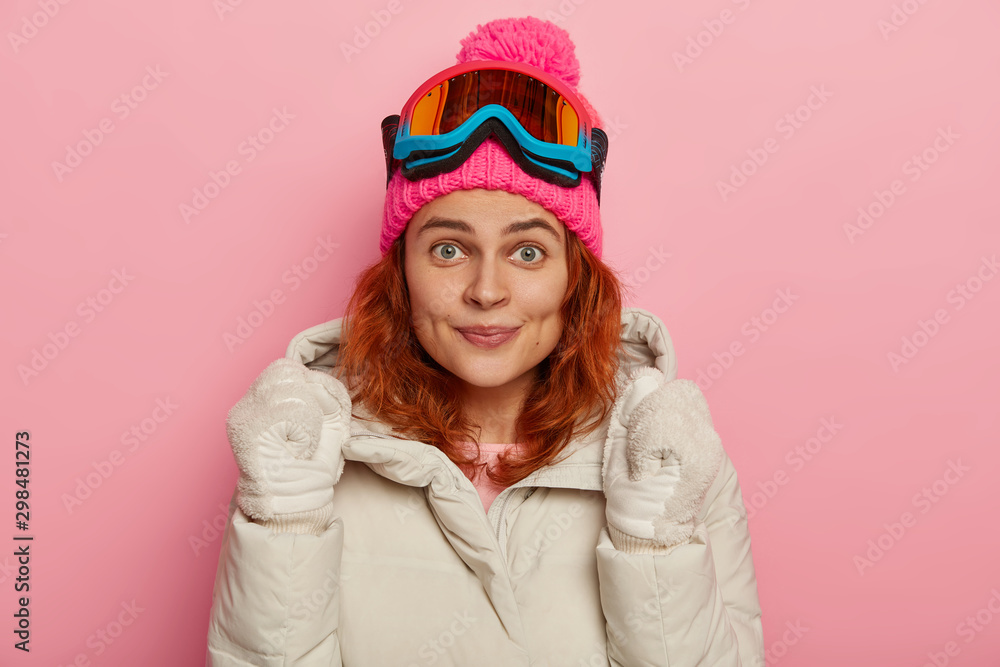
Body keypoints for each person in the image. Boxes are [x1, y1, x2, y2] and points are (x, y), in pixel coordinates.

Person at [206, 16, 764, 667]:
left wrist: (652, 542)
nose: (487, 290)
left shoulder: (669, 452)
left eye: (528, 251)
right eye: (449, 249)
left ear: (575, 276)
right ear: (401, 271)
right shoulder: (302, 449)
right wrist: (284, 518)